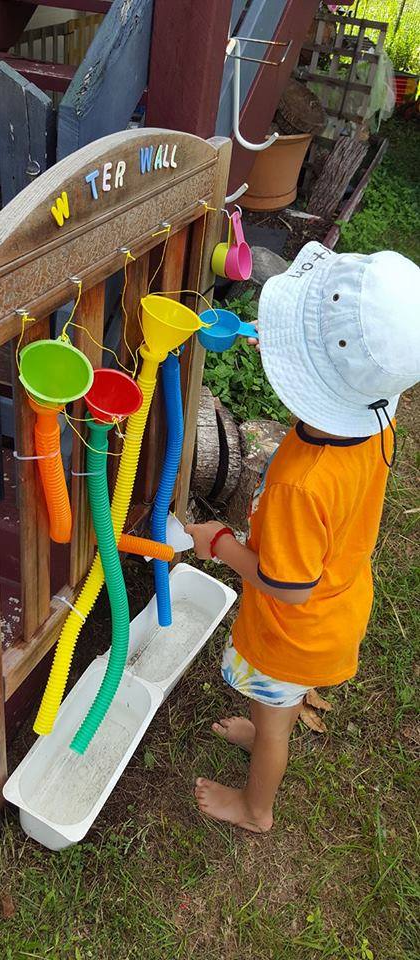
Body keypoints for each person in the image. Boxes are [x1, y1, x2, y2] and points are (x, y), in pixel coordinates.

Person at [185, 241, 420, 833]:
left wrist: (218, 544)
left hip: (295, 627)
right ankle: (268, 722)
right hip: (339, 599)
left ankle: (255, 807)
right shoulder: (376, 422)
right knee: (273, 710)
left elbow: (288, 587)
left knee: (272, 722)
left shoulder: (299, 485)